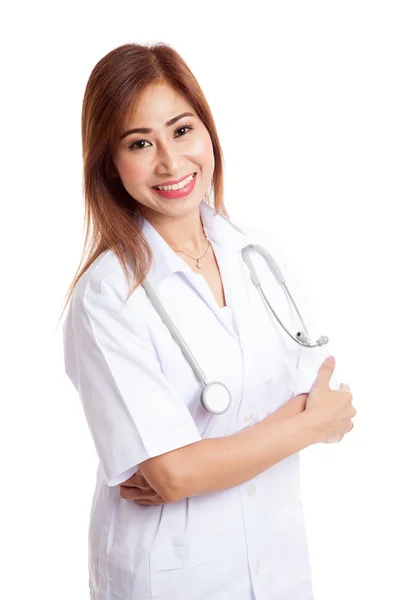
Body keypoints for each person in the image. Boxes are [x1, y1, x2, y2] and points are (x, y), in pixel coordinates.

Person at [60, 42, 356, 600]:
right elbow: (174, 475)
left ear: (208, 131)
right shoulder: (107, 297)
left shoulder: (259, 257)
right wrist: (307, 426)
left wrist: (200, 460)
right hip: (172, 577)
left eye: (181, 130)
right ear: (108, 162)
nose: (171, 163)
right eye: (140, 143)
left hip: (276, 562)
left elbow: (327, 395)